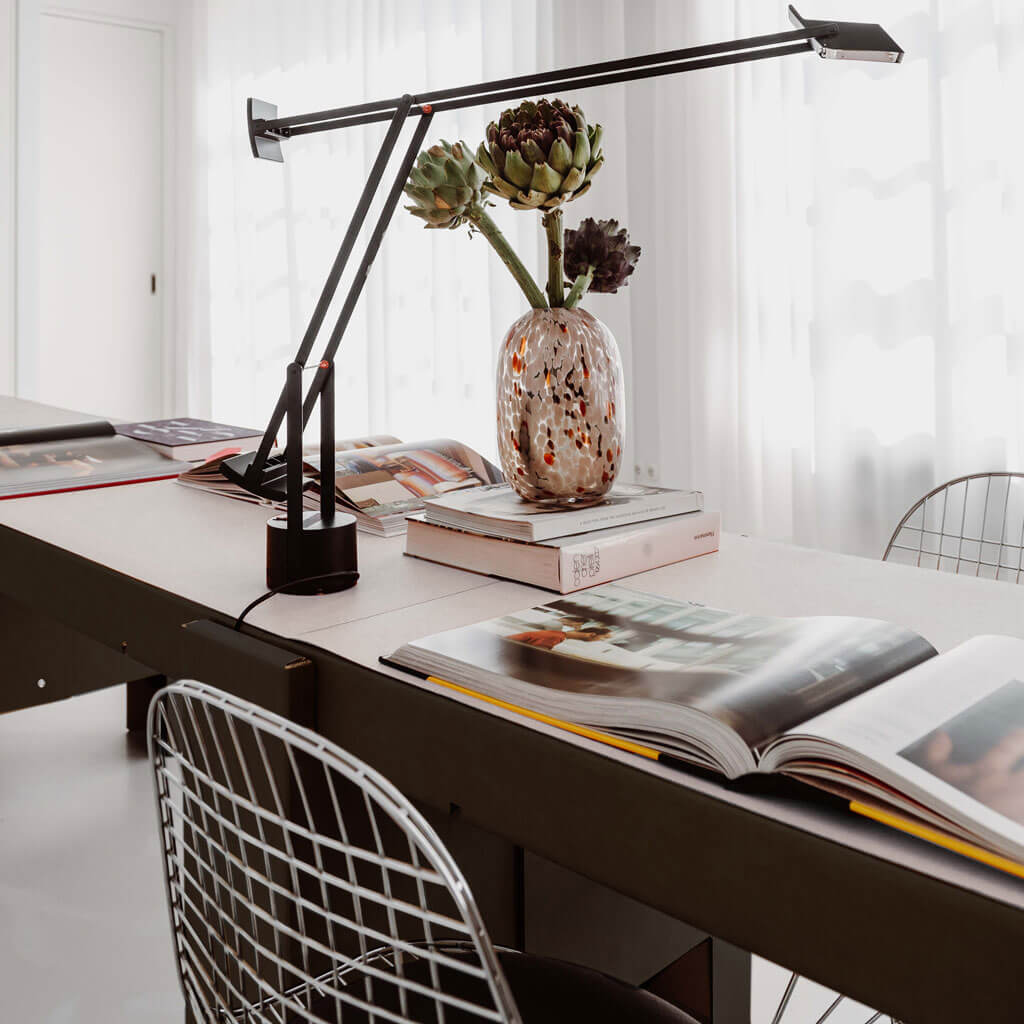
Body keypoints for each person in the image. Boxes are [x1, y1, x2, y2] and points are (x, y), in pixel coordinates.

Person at [505, 625, 613, 651]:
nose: (602, 641)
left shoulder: (557, 634)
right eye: (604, 638)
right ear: (592, 634)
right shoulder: (555, 638)